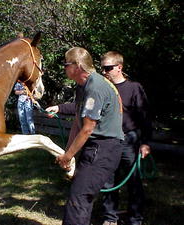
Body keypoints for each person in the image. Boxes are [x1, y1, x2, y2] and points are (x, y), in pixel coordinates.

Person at [46, 47, 124, 225]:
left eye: (66, 64)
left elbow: (88, 128)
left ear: (78, 65)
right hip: (95, 148)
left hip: (104, 148)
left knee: (79, 198)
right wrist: (68, 153)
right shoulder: (83, 87)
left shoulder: (95, 86)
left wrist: (68, 156)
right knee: (79, 196)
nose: (64, 68)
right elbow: (77, 122)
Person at [100, 51, 152, 225]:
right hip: (108, 141)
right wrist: (60, 108)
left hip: (129, 141)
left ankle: (135, 218)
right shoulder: (104, 89)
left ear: (119, 67)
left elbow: (144, 116)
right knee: (107, 181)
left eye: (107, 68)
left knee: (134, 182)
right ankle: (110, 218)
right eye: (102, 68)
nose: (104, 72)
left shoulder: (134, 88)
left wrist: (145, 143)